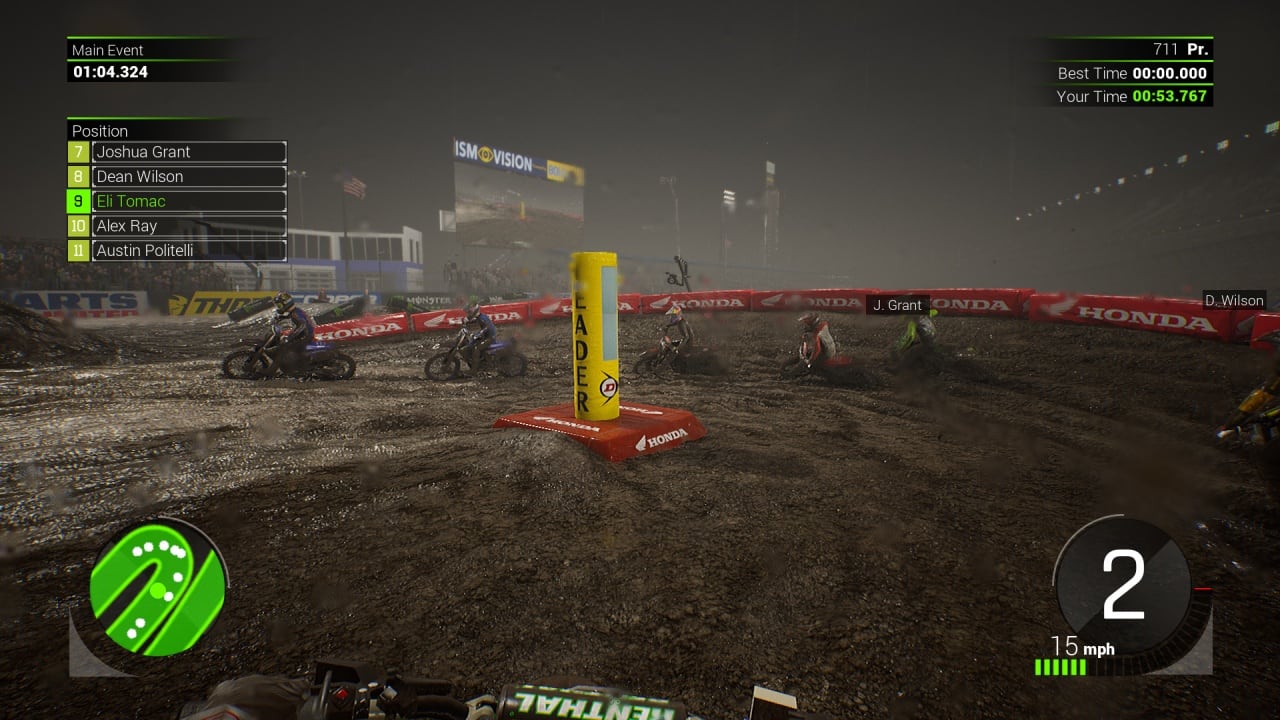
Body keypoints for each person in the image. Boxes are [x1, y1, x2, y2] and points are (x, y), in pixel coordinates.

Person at [263, 291, 315, 378]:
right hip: (305, 334)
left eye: (279, 305)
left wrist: (289, 337)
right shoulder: (295, 311)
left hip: (305, 337)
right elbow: (291, 317)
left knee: (283, 348)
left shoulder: (295, 313)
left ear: (286, 303)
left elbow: (301, 326)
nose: (278, 307)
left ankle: (271, 371)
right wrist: (280, 317)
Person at [461, 301, 497, 372]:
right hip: (485, 336)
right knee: (470, 344)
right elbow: (470, 321)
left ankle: (474, 370)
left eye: (469, 312)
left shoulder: (482, 318)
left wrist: (478, 334)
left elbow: (486, 327)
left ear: (473, 311)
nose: (468, 314)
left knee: (476, 348)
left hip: (490, 337)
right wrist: (463, 323)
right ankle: (478, 362)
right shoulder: (479, 317)